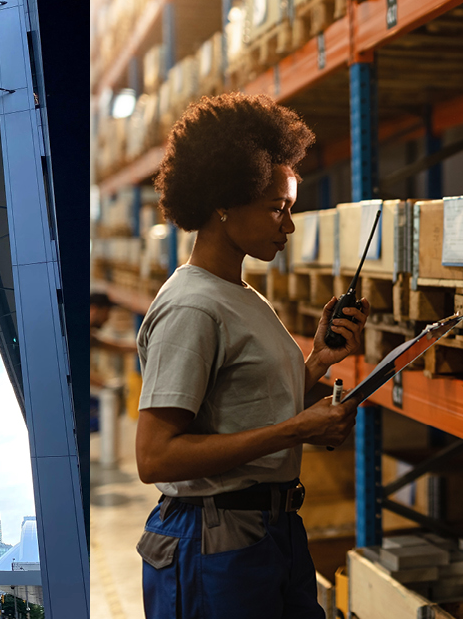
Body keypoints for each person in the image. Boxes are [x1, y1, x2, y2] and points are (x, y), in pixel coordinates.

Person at [133, 93, 368, 618]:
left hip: (269, 530)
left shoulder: (236, 293)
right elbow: (156, 457)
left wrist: (316, 364)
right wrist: (296, 431)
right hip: (214, 541)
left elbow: (242, 403)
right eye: (276, 208)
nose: (287, 226)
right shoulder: (192, 308)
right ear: (224, 203)